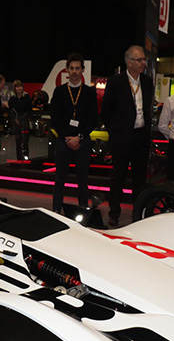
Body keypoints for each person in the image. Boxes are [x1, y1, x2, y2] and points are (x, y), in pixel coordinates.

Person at [100, 45, 154, 227]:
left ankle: (138, 214)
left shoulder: (147, 81)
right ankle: (114, 213)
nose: (143, 63)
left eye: (144, 59)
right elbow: (106, 111)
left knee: (140, 178)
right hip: (122, 137)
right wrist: (115, 130)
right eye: (139, 60)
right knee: (118, 177)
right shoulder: (116, 82)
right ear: (129, 62)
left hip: (141, 136)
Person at [49, 53, 97, 212]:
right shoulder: (59, 91)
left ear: (82, 70)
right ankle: (56, 211)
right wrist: (68, 138)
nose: (74, 71)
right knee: (59, 179)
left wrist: (79, 137)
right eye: (72, 68)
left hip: (83, 142)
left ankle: (83, 211)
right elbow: (55, 119)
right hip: (64, 142)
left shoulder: (89, 92)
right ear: (67, 70)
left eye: (77, 68)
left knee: (82, 180)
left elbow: (93, 120)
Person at [8, 80, 33, 160]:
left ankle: (25, 157)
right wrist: (15, 119)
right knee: (18, 141)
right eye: (17, 87)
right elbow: (11, 110)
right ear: (15, 88)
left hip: (25, 122)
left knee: (25, 141)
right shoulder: (12, 99)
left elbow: (29, 110)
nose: (19, 88)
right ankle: (19, 158)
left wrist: (24, 118)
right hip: (16, 122)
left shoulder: (27, 97)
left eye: (20, 86)